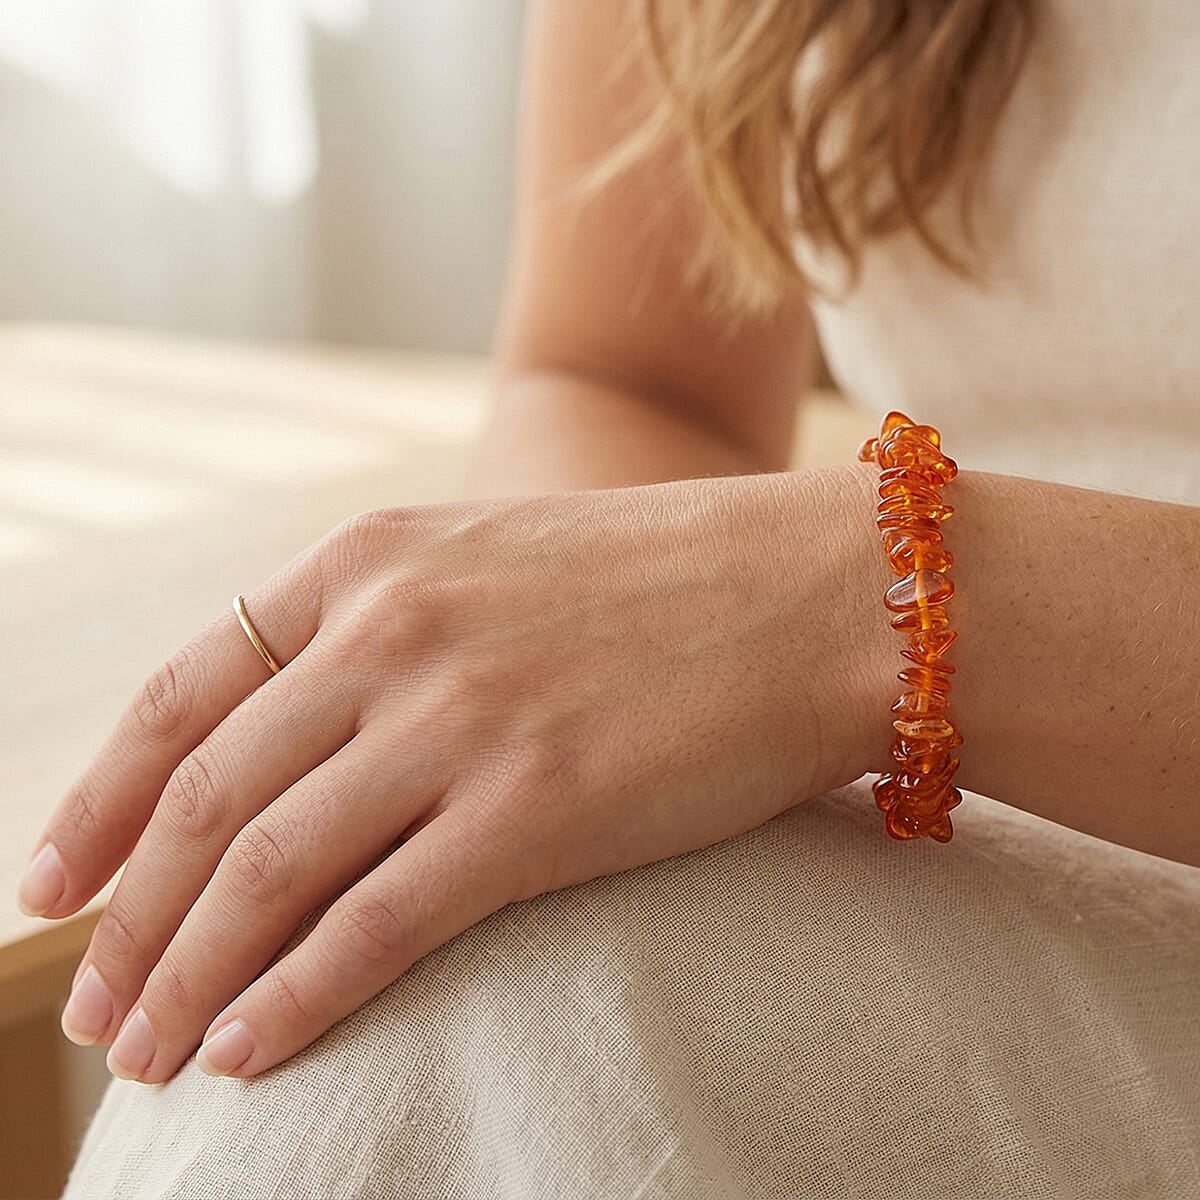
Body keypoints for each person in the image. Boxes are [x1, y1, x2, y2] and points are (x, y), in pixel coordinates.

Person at [24, 1, 1198, 1196]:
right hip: (957, 822)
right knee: (446, 980)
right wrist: (596, 712)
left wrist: (863, 600)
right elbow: (632, 372)